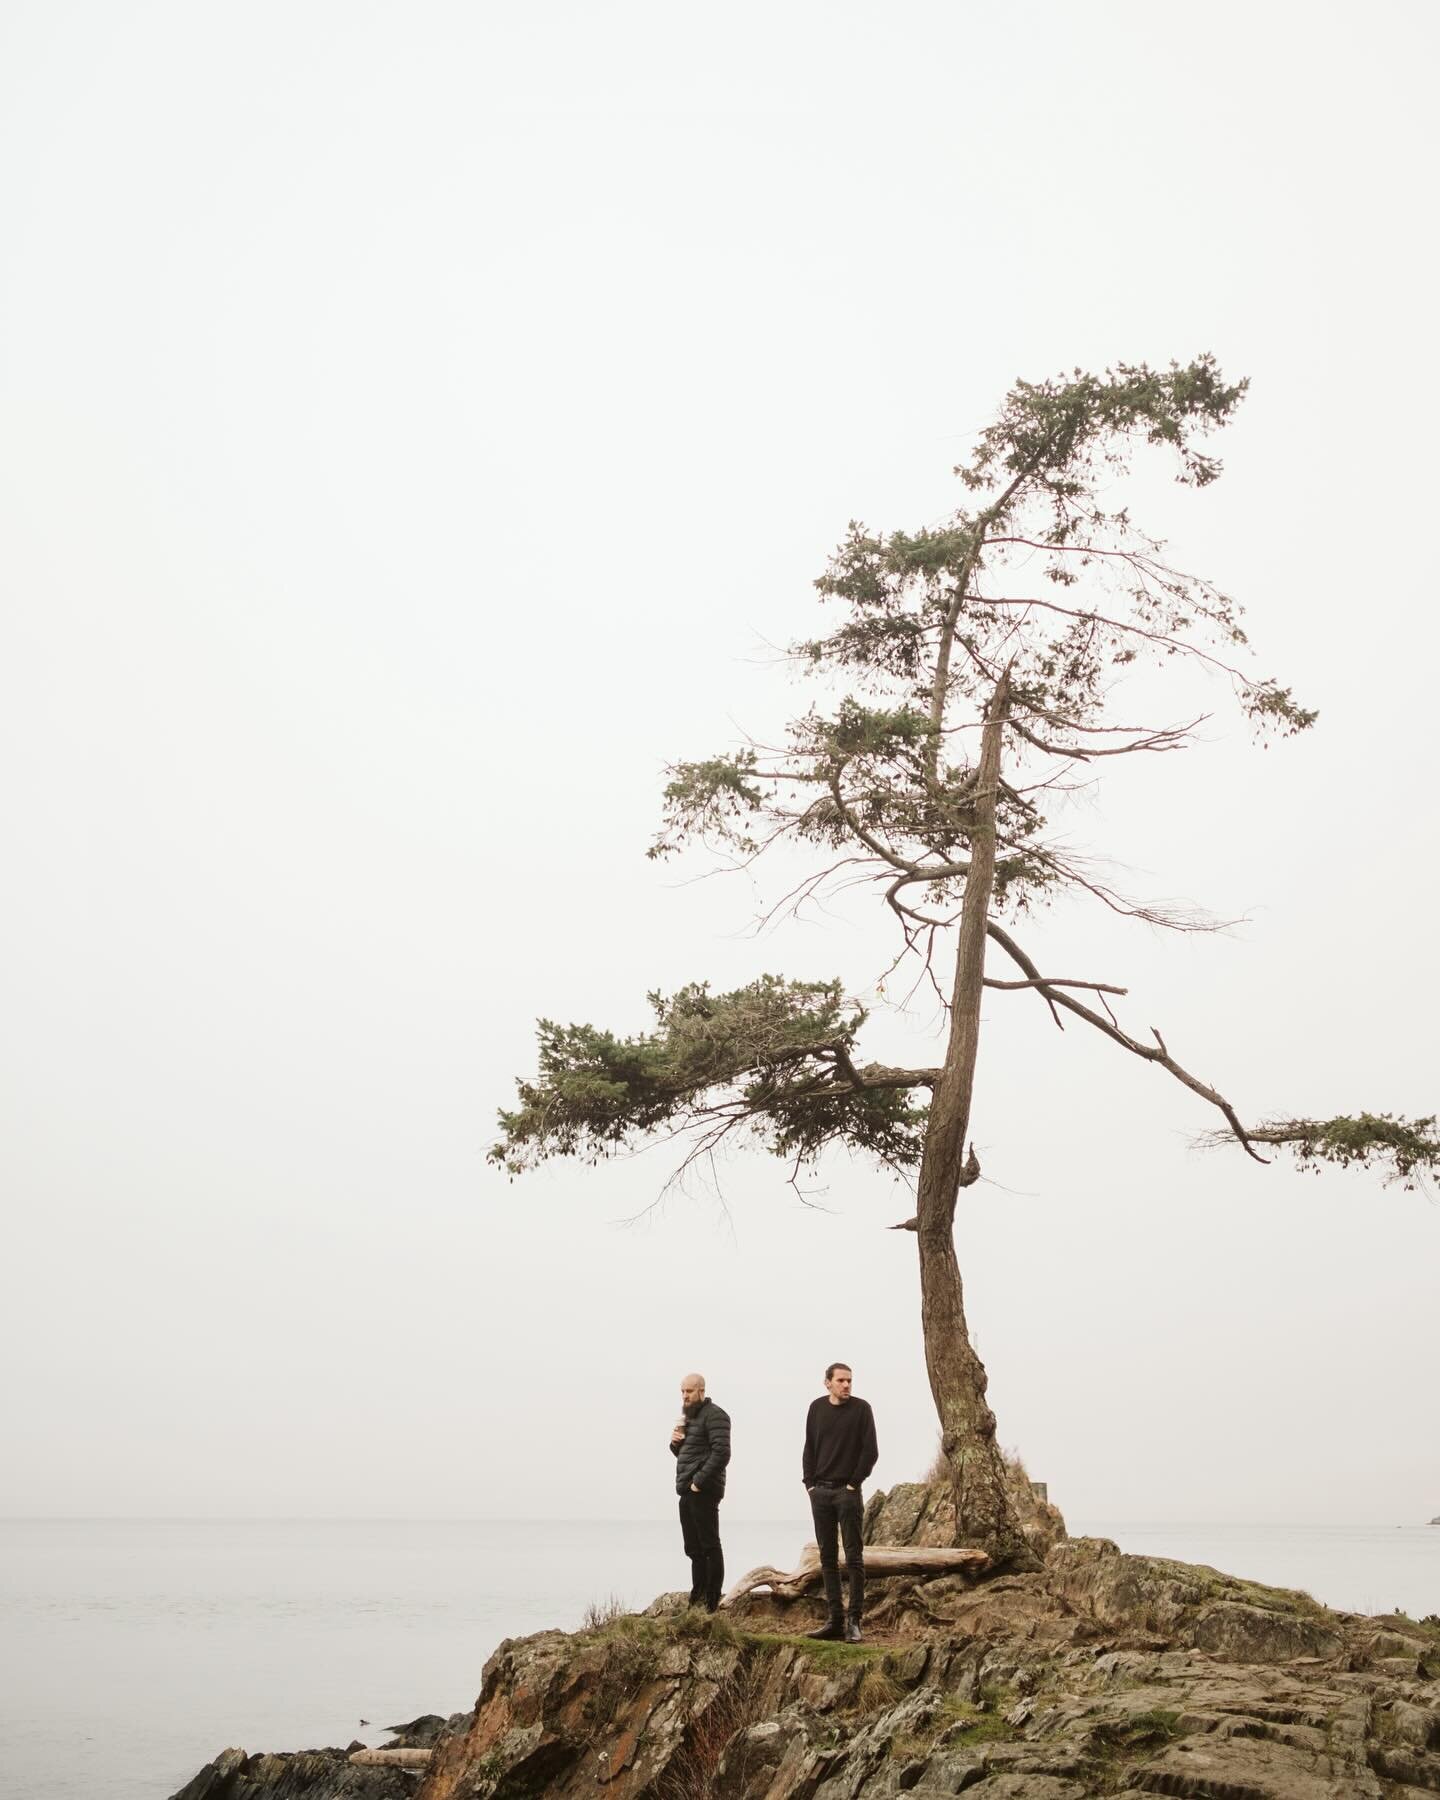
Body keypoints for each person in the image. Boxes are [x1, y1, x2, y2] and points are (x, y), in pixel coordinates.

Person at [802, 1361, 878, 1642]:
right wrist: (809, 1484)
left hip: (847, 1493)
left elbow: (871, 1451)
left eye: (849, 1380)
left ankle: (854, 1622)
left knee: (854, 1557)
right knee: (827, 1558)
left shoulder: (861, 1409)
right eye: (841, 1380)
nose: (847, 1385)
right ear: (828, 1383)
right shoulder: (816, 1408)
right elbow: (809, 1447)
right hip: (819, 1492)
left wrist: (852, 1484)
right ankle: (834, 1620)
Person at [669, 1371, 731, 1611]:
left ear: (701, 1391)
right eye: (682, 1391)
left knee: (709, 1544)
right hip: (686, 1488)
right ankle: (698, 1594)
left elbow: (722, 1453)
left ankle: (712, 1600)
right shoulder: (688, 1417)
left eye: (689, 1391)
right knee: (693, 1548)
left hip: (704, 1489)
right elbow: (689, 1454)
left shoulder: (716, 1415)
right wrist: (675, 1444)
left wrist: (698, 1482)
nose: (685, 1396)